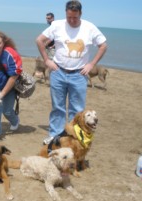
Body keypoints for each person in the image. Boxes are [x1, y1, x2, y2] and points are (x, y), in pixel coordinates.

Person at [36, 0, 107, 144]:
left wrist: (91, 64)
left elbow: (103, 45)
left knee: (77, 109)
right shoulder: (57, 25)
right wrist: (47, 60)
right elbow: (39, 40)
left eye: (75, 17)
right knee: (58, 107)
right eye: (69, 17)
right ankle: (54, 135)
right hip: (58, 72)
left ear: (80, 14)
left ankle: (74, 136)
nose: (72, 20)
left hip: (79, 75)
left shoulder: (89, 27)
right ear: (66, 14)